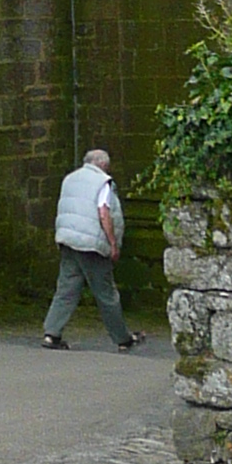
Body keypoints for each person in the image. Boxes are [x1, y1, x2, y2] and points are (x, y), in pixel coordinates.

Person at [42, 146, 139, 351]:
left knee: (66, 290)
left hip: (68, 240)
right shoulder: (102, 182)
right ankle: (122, 338)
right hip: (91, 245)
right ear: (103, 165)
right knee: (106, 294)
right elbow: (103, 213)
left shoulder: (70, 179)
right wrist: (113, 243)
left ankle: (51, 333)